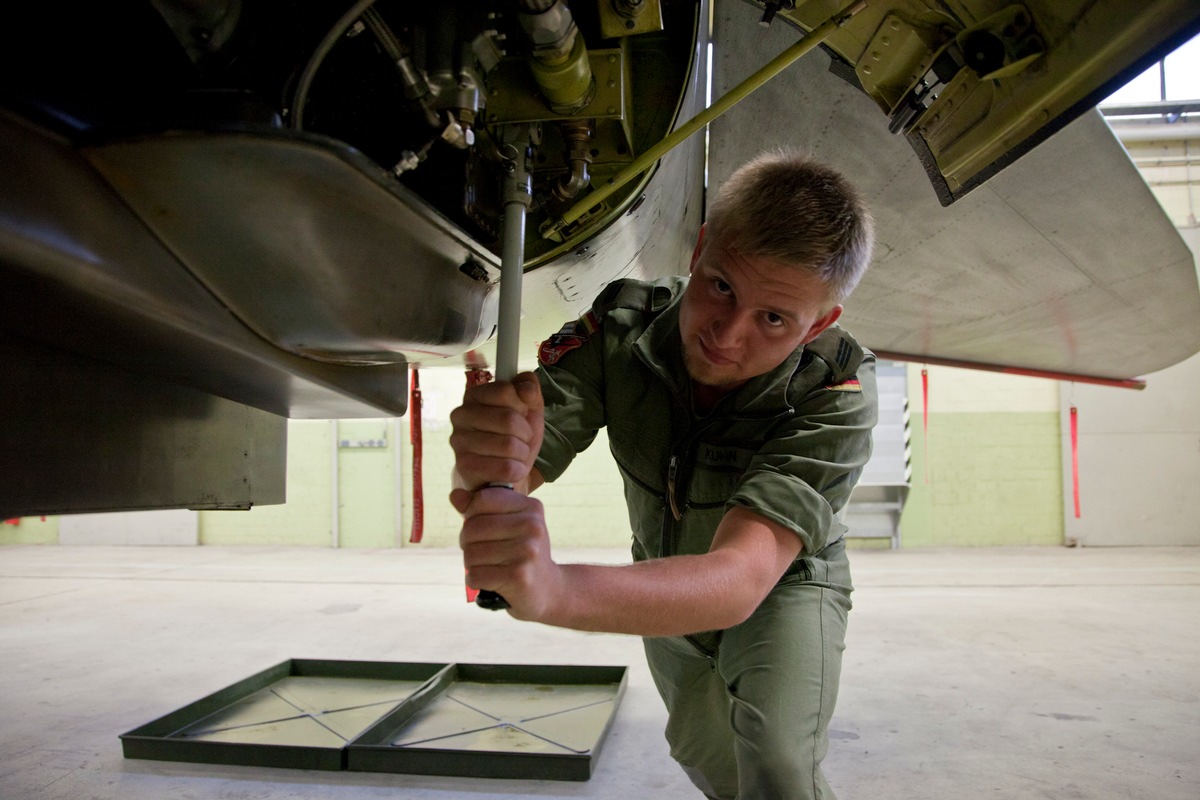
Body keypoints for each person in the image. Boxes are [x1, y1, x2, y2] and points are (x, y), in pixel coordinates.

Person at [449, 148, 877, 800]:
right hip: (665, 576)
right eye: (722, 287)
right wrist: (491, 459)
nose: (727, 335)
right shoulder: (620, 328)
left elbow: (739, 580)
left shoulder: (833, 388)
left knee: (779, 763)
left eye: (773, 318)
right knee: (700, 750)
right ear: (700, 248)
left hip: (783, 588)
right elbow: (516, 461)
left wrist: (557, 591)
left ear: (819, 323)